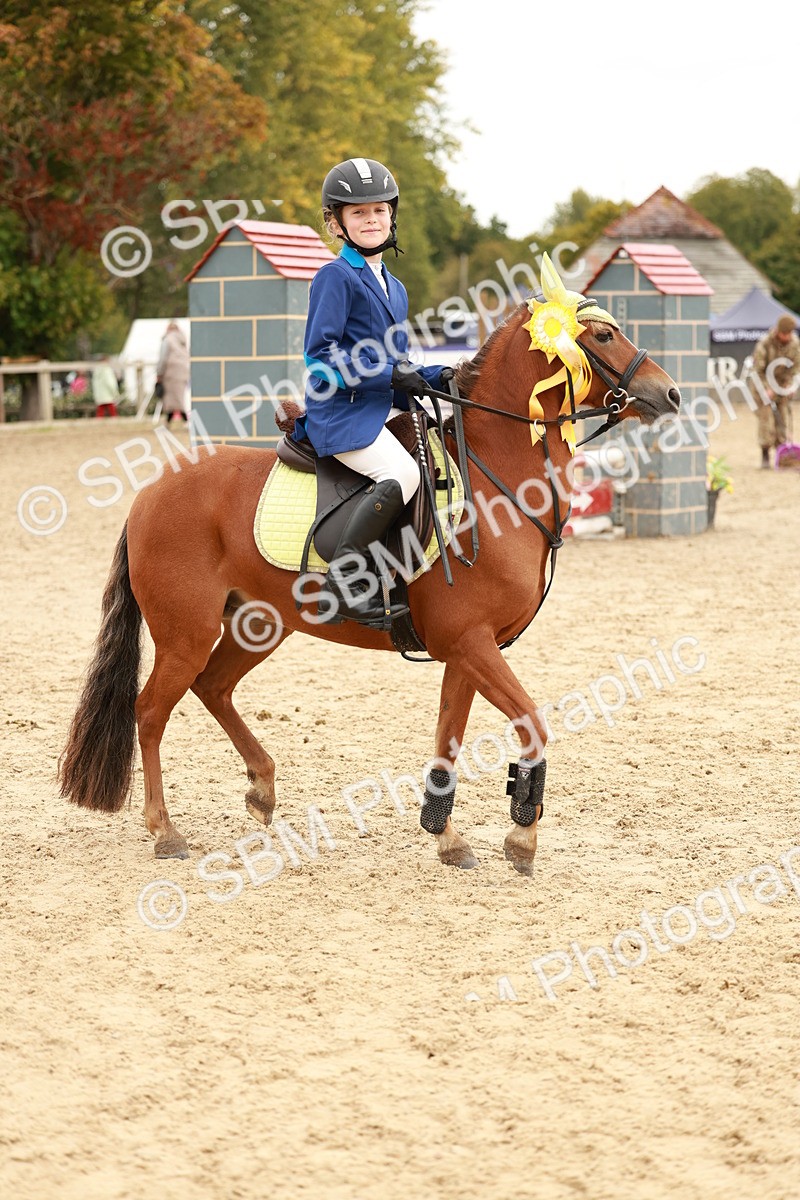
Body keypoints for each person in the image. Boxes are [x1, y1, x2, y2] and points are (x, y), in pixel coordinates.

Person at [293, 156, 449, 625]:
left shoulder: (395, 287)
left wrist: (438, 377)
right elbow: (319, 357)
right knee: (403, 475)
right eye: (358, 213)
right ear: (337, 222)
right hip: (341, 415)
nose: (371, 220)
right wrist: (387, 376)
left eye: (379, 211)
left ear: (392, 216)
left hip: (380, 408)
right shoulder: (334, 277)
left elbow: (394, 362)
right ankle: (342, 585)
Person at [752, 314, 800, 468]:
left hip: (782, 386)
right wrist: (767, 388)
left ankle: (783, 456)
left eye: (789, 334)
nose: (787, 337)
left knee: (783, 420)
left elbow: (795, 368)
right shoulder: (764, 344)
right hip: (762, 386)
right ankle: (765, 456)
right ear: (778, 331)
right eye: (784, 334)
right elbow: (757, 371)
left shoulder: (794, 344)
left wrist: (789, 385)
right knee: (766, 421)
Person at [157, 321, 190, 424]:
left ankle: (183, 420)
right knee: (179, 396)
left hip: (171, 372)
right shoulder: (182, 341)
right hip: (184, 372)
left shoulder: (168, 340)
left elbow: (163, 358)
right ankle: (171, 421)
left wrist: (159, 373)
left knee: (172, 398)